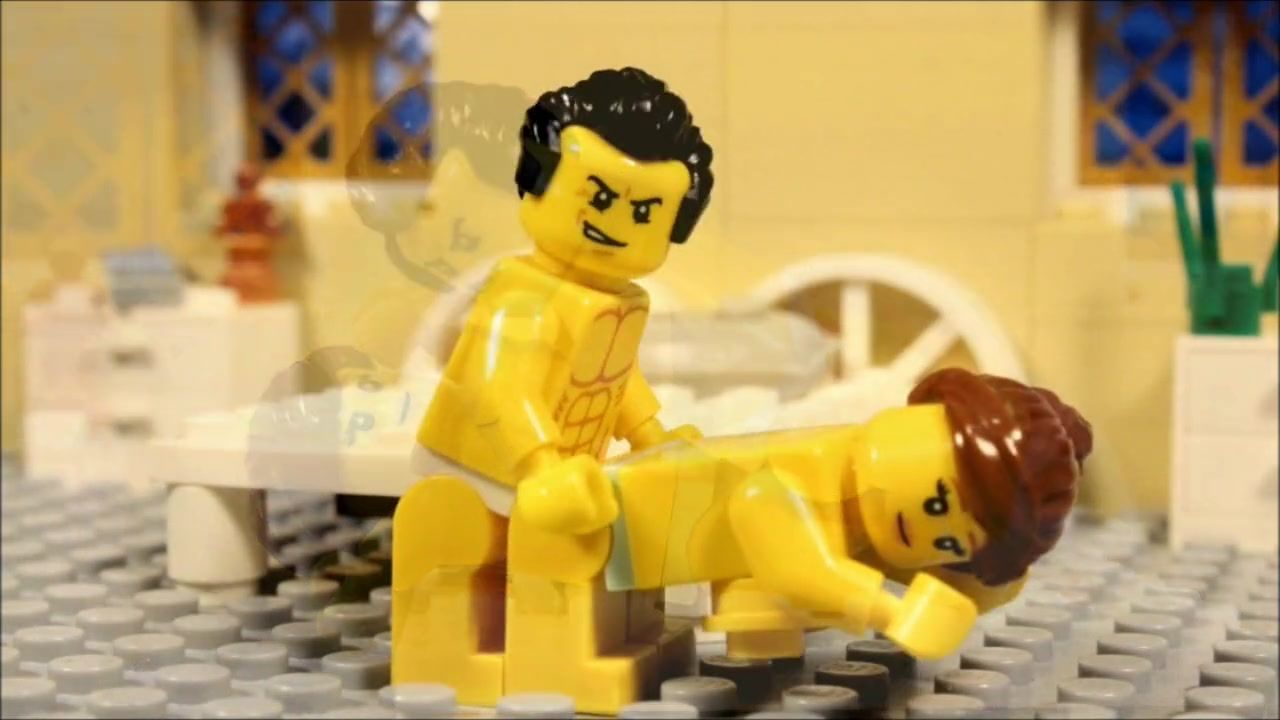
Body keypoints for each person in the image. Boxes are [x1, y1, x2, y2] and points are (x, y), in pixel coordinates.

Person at [392, 67, 716, 712]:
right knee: (489, 560)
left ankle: (574, 651)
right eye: (598, 196)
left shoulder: (615, 301)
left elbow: (614, 375)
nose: (616, 221)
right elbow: (499, 388)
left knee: (579, 548)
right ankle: (501, 659)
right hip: (476, 469)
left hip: (560, 475)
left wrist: (649, 434)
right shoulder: (522, 296)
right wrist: (542, 464)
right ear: (537, 182)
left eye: (644, 212)